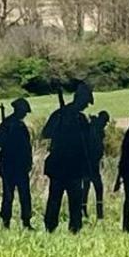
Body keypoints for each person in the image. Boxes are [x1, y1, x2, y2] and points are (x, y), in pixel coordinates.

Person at [41, 82, 93, 233]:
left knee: (75, 200)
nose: (86, 106)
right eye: (85, 102)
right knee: (55, 198)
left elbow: (86, 144)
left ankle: (75, 228)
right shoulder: (60, 114)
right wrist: (60, 126)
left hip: (75, 165)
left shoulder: (81, 119)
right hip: (59, 163)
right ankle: (50, 227)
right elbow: (46, 133)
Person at [0, 98, 33, 229]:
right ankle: (6, 222)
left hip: (21, 166)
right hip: (9, 165)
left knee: (25, 195)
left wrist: (28, 162)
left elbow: (27, 146)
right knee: (8, 195)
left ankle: (26, 221)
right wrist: (6, 135)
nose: (24, 114)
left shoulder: (21, 126)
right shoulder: (7, 124)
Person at [84, 109, 109, 220]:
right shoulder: (93, 129)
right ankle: (87, 211)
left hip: (93, 164)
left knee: (91, 187)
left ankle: (97, 213)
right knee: (90, 187)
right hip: (89, 164)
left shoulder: (96, 129)